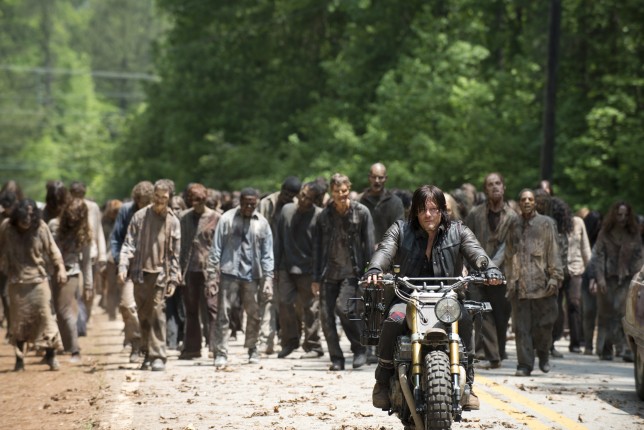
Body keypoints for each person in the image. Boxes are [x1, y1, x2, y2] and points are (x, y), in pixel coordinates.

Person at [365, 184, 504, 411]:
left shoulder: (458, 230)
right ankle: (382, 379)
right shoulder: (400, 229)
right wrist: (375, 269)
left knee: (465, 319)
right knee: (393, 320)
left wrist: (489, 269)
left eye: (433, 209)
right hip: (407, 296)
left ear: (442, 210)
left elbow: (477, 253)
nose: (428, 214)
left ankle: (467, 383)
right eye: (422, 210)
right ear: (414, 212)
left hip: (446, 299)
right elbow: (385, 250)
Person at [312, 173, 373, 371]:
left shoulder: (361, 212)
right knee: (326, 317)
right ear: (332, 191)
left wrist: (370, 271)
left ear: (349, 189)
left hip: (351, 272)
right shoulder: (323, 216)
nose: (341, 194)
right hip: (328, 272)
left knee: (344, 308)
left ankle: (360, 347)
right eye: (337, 191)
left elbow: (369, 245)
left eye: (344, 190)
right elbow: (317, 248)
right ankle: (336, 358)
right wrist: (315, 277)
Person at [118, 179, 181, 371]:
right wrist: (123, 265)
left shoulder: (173, 221)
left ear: (169, 198)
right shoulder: (140, 217)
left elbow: (175, 254)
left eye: (164, 197)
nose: (160, 200)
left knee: (157, 313)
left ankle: (158, 355)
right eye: (157, 196)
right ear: (153, 195)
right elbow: (129, 243)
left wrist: (173, 278)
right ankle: (146, 352)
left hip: (161, 275)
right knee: (143, 315)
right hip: (140, 273)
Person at [207, 188, 274, 368]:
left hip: (252, 275)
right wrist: (212, 276)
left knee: (254, 314)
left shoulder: (262, 223)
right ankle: (221, 352)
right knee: (223, 314)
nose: (248, 207)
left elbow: (267, 253)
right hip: (229, 273)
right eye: (245, 204)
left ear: (257, 203)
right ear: (240, 202)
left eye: (252, 204)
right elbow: (216, 248)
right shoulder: (227, 219)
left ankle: (252, 348)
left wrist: (268, 279)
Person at [0, 199, 67, 371]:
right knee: (18, 323)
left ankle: (50, 356)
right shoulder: (7, 228)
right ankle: (19, 360)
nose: (27, 219)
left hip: (38, 281)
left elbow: (52, 249)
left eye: (31, 215)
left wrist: (61, 268)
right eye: (24, 215)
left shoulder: (41, 227)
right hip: (16, 283)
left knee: (46, 318)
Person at [505, 189, 563, 377]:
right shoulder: (513, 224)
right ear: (519, 203)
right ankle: (524, 364)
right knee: (521, 328)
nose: (527, 202)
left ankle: (544, 353)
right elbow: (508, 253)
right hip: (520, 284)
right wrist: (509, 279)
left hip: (542, 285)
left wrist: (555, 276)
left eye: (530, 199)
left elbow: (554, 251)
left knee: (544, 327)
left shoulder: (546, 223)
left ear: (535, 202)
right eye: (523, 199)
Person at [465, 172, 518, 369]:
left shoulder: (513, 217)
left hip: (502, 274)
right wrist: (468, 266)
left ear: (503, 187)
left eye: (498, 183)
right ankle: (489, 355)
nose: (495, 187)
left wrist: (491, 268)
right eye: (490, 184)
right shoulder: (475, 213)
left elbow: (510, 247)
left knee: (501, 316)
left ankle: (498, 353)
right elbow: (466, 239)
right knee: (481, 313)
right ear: (485, 190)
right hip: (477, 272)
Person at [274, 182, 324, 359]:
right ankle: (289, 341)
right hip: (286, 266)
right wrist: (275, 267)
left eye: (308, 198)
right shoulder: (286, 210)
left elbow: (320, 247)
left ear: (314, 201)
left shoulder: (319, 216)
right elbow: (278, 240)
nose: (303, 200)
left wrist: (317, 275)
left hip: (308, 269)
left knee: (311, 308)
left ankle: (313, 345)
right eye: (302, 195)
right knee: (284, 303)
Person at [593, 201, 643, 361]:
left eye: (625, 215)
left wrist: (637, 278)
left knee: (622, 312)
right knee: (608, 314)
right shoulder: (605, 233)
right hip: (608, 279)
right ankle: (607, 347)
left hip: (627, 278)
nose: (622, 218)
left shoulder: (633, 233)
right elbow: (598, 256)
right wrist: (600, 278)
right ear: (614, 215)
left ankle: (626, 349)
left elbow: (639, 256)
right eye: (619, 214)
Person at [110, 181, 153, 362]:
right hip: (130, 267)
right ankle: (135, 342)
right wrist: (120, 261)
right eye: (141, 201)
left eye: (147, 201)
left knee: (150, 309)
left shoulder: (156, 212)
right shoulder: (126, 211)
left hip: (152, 268)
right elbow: (116, 238)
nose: (144, 205)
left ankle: (150, 346)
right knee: (127, 305)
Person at [258, 176, 301, 355]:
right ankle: (267, 340)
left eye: (292, 195)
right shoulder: (267, 204)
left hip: (290, 259)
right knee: (268, 299)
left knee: (291, 303)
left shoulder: (298, 205)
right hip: (268, 257)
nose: (287, 197)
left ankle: (292, 337)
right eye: (285, 193)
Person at [179, 183, 220, 360]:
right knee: (191, 310)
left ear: (204, 199)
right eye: (192, 200)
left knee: (212, 308)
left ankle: (215, 346)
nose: (195, 203)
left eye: (198, 200)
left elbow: (221, 246)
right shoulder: (184, 218)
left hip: (210, 271)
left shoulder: (216, 218)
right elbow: (180, 245)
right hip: (189, 270)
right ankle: (192, 348)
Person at [48, 198, 93, 363]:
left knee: (64, 310)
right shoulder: (54, 225)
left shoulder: (85, 233)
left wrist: (88, 285)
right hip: (50, 271)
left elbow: (86, 262)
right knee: (55, 311)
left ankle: (74, 349)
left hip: (71, 271)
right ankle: (59, 347)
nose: (72, 219)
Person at [550, 197, 591, 354]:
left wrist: (591, 272)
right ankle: (552, 340)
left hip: (575, 269)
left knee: (574, 304)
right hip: (557, 271)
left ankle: (575, 342)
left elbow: (585, 248)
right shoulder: (551, 225)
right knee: (555, 307)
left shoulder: (578, 223)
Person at [69, 181, 107, 330]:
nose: (78, 197)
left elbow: (98, 230)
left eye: (80, 194)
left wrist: (102, 254)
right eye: (75, 194)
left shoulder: (93, 207)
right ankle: (77, 317)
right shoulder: (68, 208)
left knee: (90, 287)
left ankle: (87, 316)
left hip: (91, 252)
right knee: (75, 288)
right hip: (73, 254)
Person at [358, 163, 404, 245]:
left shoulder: (395, 202)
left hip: (387, 250)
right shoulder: (359, 201)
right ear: (369, 177)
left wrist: (382, 246)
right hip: (363, 250)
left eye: (380, 177)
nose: (377, 181)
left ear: (386, 178)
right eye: (374, 177)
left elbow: (399, 231)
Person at [580, 210, 602, 355]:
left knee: (602, 314)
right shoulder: (584, 239)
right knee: (588, 312)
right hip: (586, 278)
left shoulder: (604, 239)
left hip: (602, 279)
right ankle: (588, 344)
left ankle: (601, 346)